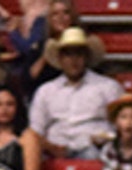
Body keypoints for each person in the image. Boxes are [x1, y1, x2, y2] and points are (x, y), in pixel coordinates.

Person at [29, 27, 118, 159]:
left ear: (86, 57)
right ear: (60, 59)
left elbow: (121, 125)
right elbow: (36, 130)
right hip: (53, 148)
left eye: (78, 54)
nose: (73, 60)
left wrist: (104, 140)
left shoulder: (107, 87)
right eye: (68, 54)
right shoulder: (46, 91)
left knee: (94, 155)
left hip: (93, 148)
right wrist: (50, 147)